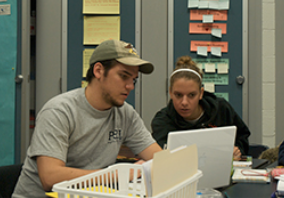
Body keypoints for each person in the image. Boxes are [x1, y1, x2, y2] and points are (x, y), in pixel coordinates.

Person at [12, 40, 162, 198]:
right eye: (123, 76)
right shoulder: (59, 111)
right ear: (98, 71)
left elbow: (160, 160)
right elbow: (50, 178)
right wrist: (118, 175)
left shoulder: (125, 113)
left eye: (133, 80)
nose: (130, 86)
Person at [151, 55, 250, 159]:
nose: (184, 102)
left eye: (191, 95)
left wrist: (238, 151)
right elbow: (163, 156)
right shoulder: (162, 121)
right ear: (171, 93)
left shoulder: (221, 109)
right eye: (178, 95)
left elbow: (242, 136)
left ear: (201, 93)